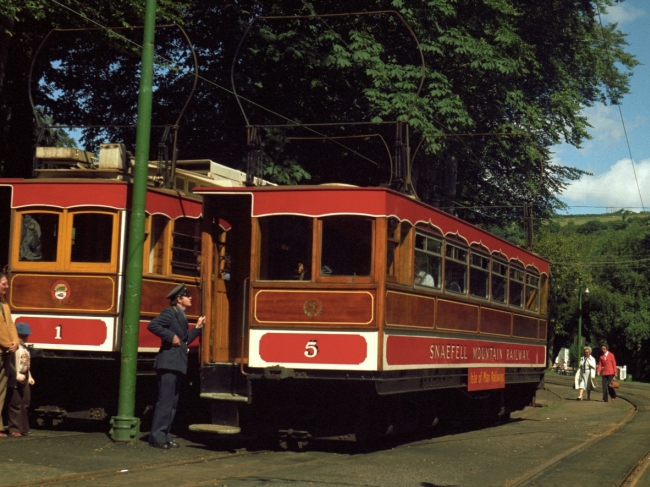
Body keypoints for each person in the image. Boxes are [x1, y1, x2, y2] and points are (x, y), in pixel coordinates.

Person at [147, 283, 205, 449]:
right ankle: (157, 437)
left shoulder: (181, 315)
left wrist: (197, 328)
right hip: (168, 363)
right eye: (187, 296)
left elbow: (183, 341)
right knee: (165, 402)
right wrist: (170, 336)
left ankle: (165, 435)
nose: (190, 298)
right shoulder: (170, 312)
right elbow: (153, 325)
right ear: (179, 299)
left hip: (177, 363)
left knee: (172, 403)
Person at [8, 322, 34, 437]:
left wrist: (30, 376)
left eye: (26, 336)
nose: (24, 339)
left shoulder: (24, 349)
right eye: (21, 336)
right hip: (15, 378)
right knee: (15, 403)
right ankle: (14, 428)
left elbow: (26, 364)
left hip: (24, 376)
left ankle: (23, 427)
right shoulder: (13, 349)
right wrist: (15, 374)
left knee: (25, 402)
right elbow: (8, 363)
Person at [0, 273, 18, 438]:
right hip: (3, 349)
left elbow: (10, 325)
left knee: (1, 390)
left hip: (5, 352)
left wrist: (15, 342)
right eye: (4, 283)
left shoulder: (4, 304)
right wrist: (7, 344)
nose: (7, 286)